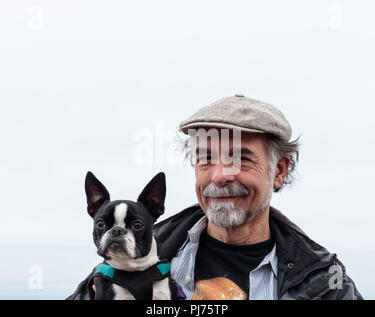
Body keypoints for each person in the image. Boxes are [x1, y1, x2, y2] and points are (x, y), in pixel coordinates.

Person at [67, 94, 363, 300]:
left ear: (279, 171)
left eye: (241, 159)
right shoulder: (134, 257)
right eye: (206, 158)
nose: (220, 175)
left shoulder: (326, 283)